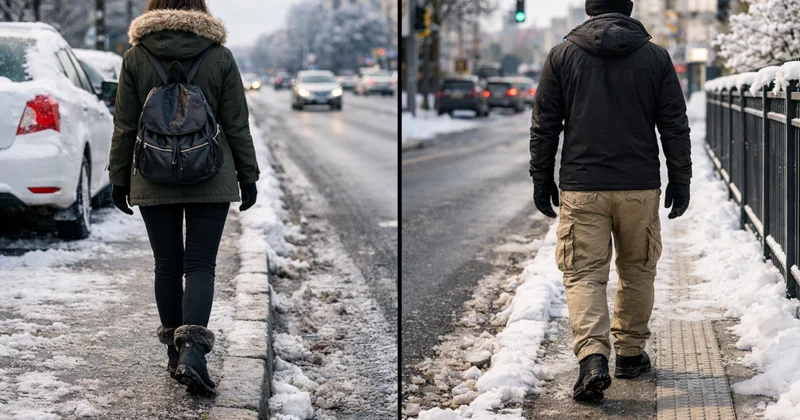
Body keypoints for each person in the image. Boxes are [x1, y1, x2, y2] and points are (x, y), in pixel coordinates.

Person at [529, 0, 691, 402]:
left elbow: (545, 123)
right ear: (628, 8)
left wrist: (541, 177)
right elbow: (674, 122)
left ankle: (592, 358)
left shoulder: (562, 55)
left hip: (583, 186)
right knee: (638, 268)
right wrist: (680, 178)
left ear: (589, 11)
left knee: (583, 273)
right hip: (639, 185)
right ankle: (631, 355)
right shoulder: (655, 57)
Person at [108, 0, 260, 396]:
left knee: (167, 265)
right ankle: (194, 350)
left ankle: (175, 358)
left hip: (153, 174)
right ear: (200, 8)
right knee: (199, 264)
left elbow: (124, 124)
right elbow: (236, 122)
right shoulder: (219, 55)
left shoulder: (136, 56)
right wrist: (248, 176)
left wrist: (119, 178)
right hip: (210, 172)